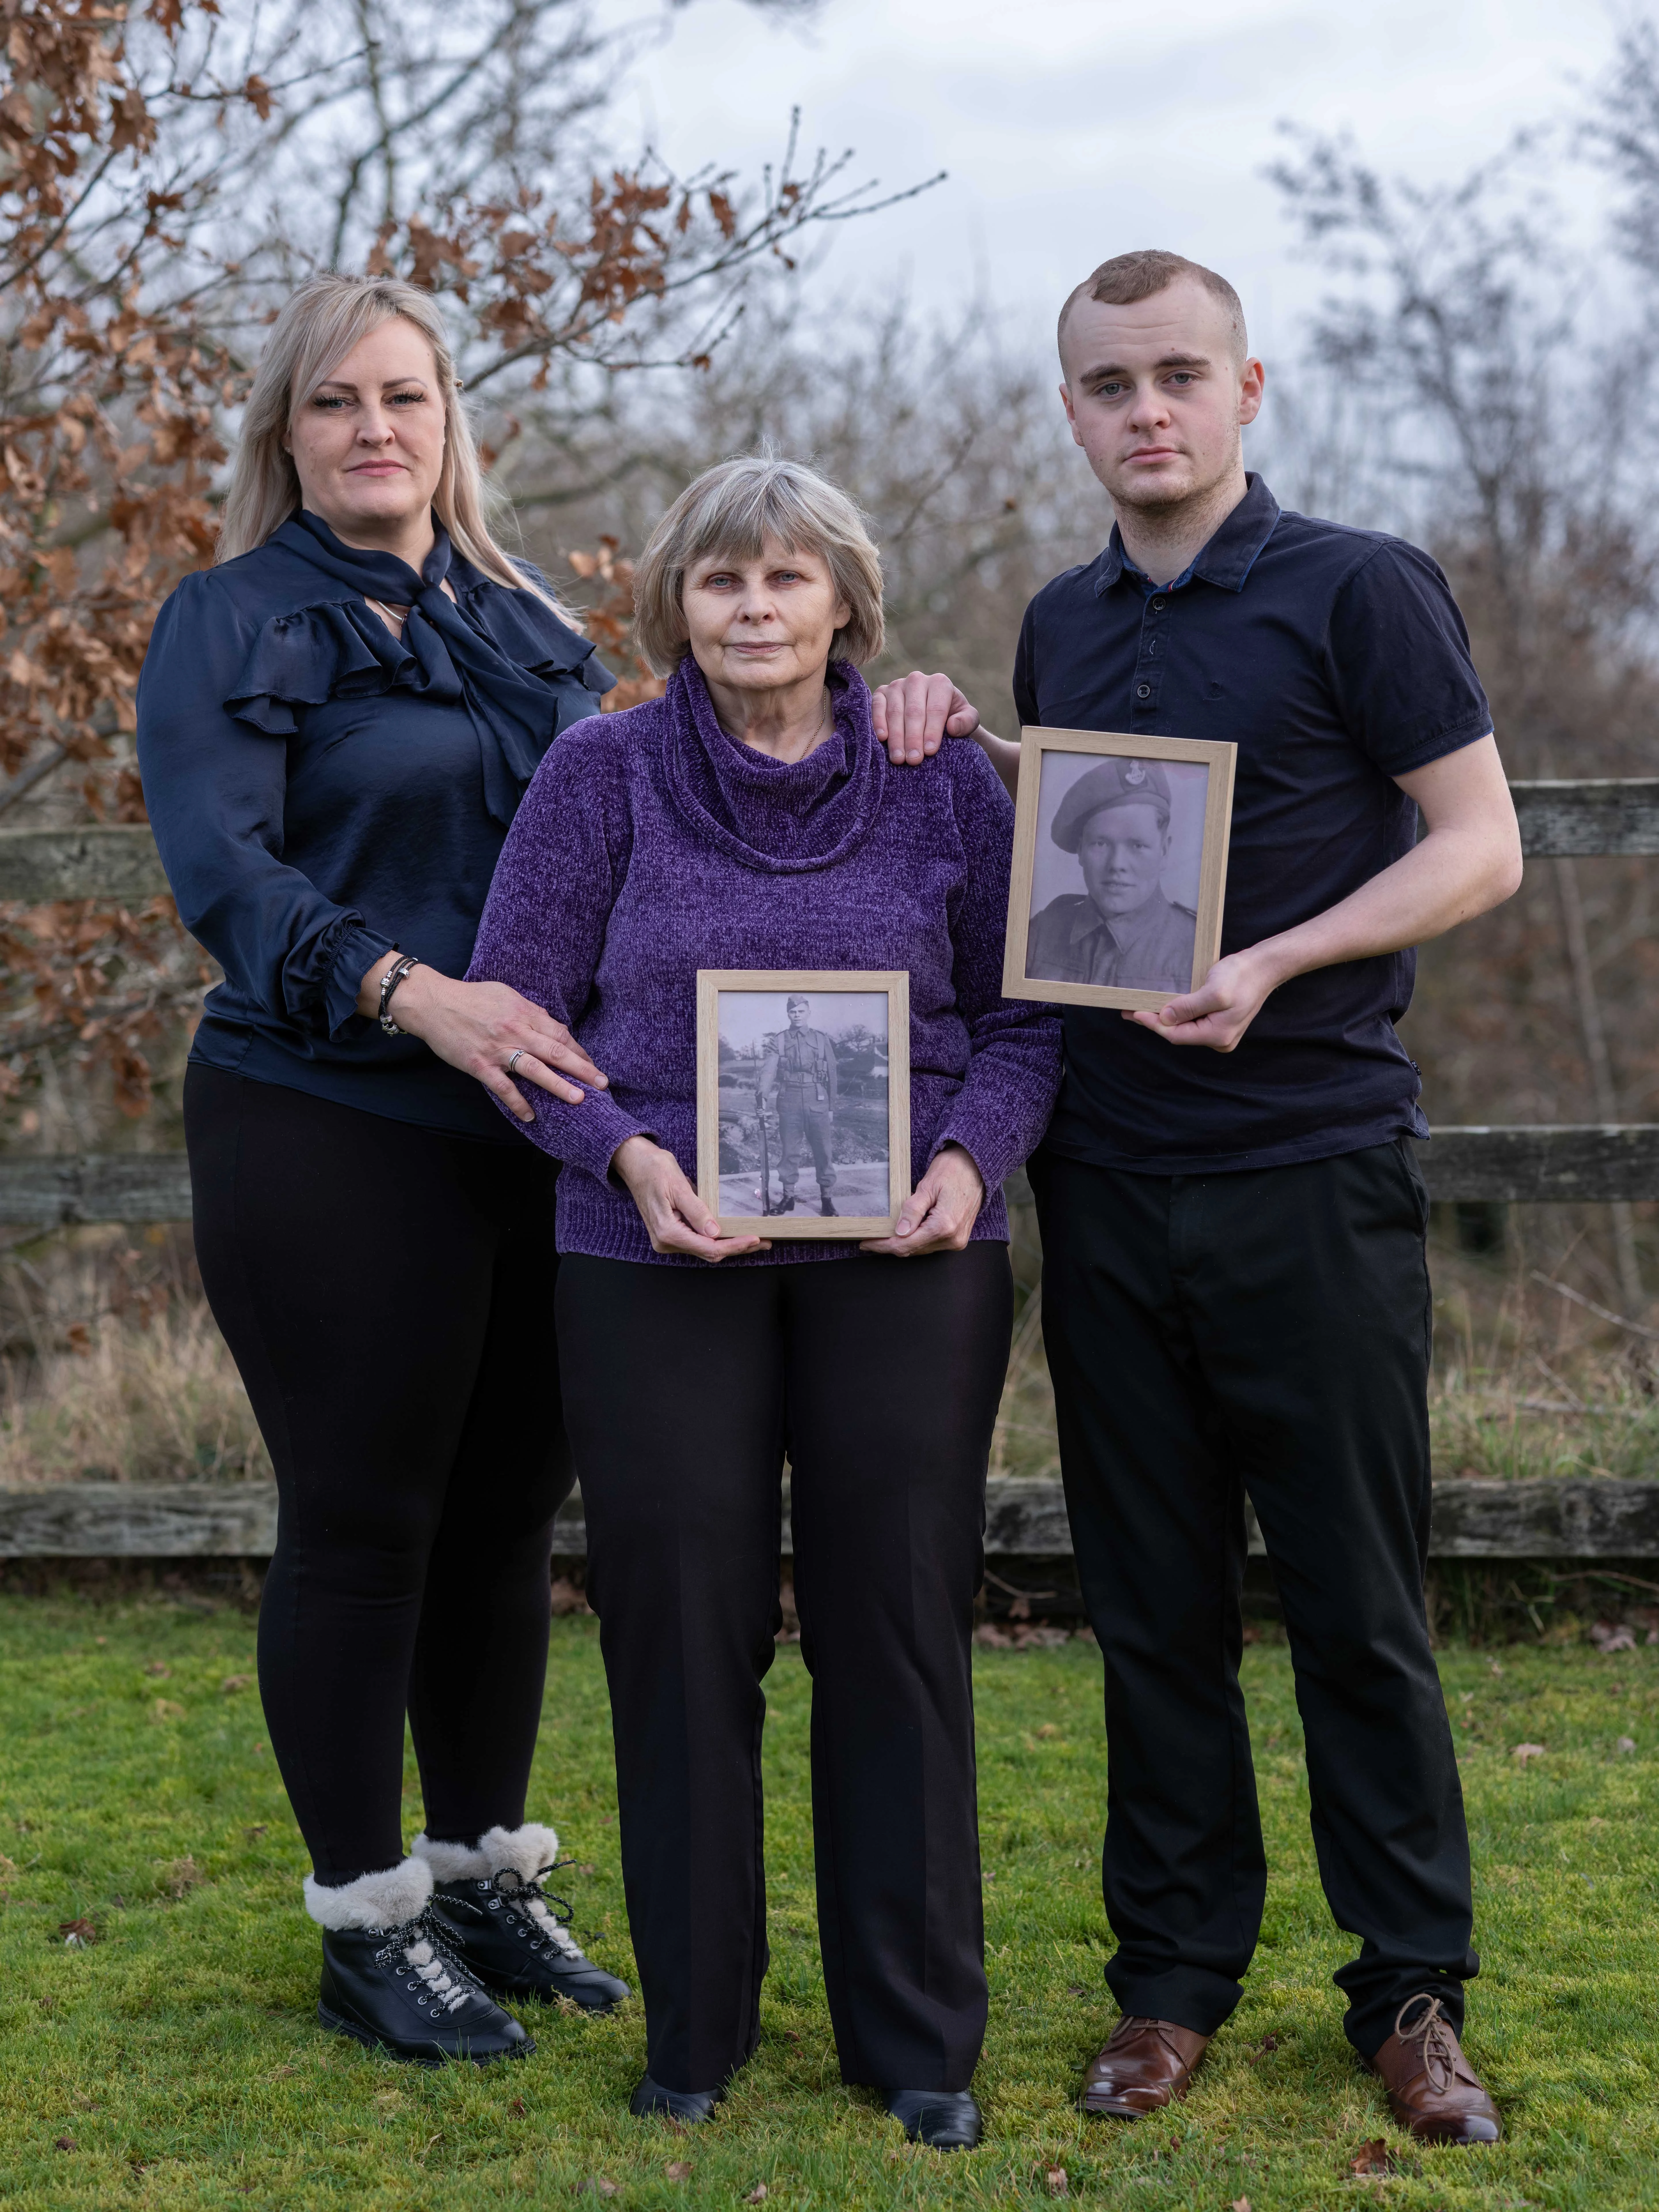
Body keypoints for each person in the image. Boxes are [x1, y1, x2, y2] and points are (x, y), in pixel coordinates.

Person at [869, 249, 1524, 2146]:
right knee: (1153, 1611)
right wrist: (917, 717)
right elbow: (1040, 851)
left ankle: (1410, 1989)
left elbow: (1476, 846)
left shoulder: (1360, 587)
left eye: (1178, 374)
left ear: (1252, 388)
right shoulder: (1062, 625)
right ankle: (1170, 1988)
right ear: (1068, 412)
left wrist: (1272, 964)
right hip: (1107, 1180)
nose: (1144, 409)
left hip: (1309, 1167)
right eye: (1106, 384)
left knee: (1354, 1606)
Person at [467, 455, 1062, 2147]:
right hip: (656, 1254)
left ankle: (917, 2033)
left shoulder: (941, 776)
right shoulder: (602, 772)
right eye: (721, 581)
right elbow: (513, 1014)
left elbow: (1029, 1013)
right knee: (678, 1623)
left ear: (844, 604)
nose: (752, 608)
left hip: (909, 1255)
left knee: (894, 1619)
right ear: (677, 603)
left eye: (785, 580)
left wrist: (968, 1157)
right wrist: (627, 1155)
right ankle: (697, 2022)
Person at [136, 272, 630, 2065]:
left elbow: (652, 817)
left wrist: (872, 712)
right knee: (364, 1529)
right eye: (336, 401)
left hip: (535, 1136)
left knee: (505, 1524)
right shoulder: (232, 621)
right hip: (327, 1117)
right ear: (288, 429)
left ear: (450, 423)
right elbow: (226, 870)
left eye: (404, 398)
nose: (374, 429)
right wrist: (410, 991)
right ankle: (366, 1921)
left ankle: (479, 1876)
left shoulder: (528, 623)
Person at [1027, 757, 1197, 990]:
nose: (1117, 865)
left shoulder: (1196, 947)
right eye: (1101, 843)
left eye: (1137, 845)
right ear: (1080, 850)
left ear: (1164, 851)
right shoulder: (1041, 933)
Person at [758, 994, 840, 1212]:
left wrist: (832, 1107)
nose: (797, 1015)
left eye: (801, 1011)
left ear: (809, 1013)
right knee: (789, 1151)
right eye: (793, 1012)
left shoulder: (821, 1039)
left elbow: (832, 1072)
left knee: (824, 1151)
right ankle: (788, 1198)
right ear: (788, 1014)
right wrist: (762, 1096)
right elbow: (769, 1070)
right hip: (789, 1100)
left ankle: (827, 1199)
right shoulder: (781, 1040)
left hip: (818, 1099)